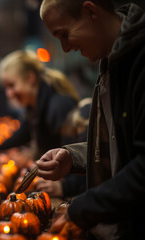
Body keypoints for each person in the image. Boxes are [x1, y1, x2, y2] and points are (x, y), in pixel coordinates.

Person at [36, 0, 145, 238]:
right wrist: (72, 158)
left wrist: (84, 209)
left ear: (90, 11)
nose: (64, 48)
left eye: (64, 34)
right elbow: (121, 146)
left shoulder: (138, 63)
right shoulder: (110, 65)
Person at [0, 50, 80, 160]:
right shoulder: (35, 106)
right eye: (6, 88)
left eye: (12, 85)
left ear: (30, 78)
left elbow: (71, 155)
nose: (9, 94)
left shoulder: (59, 106)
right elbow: (23, 134)